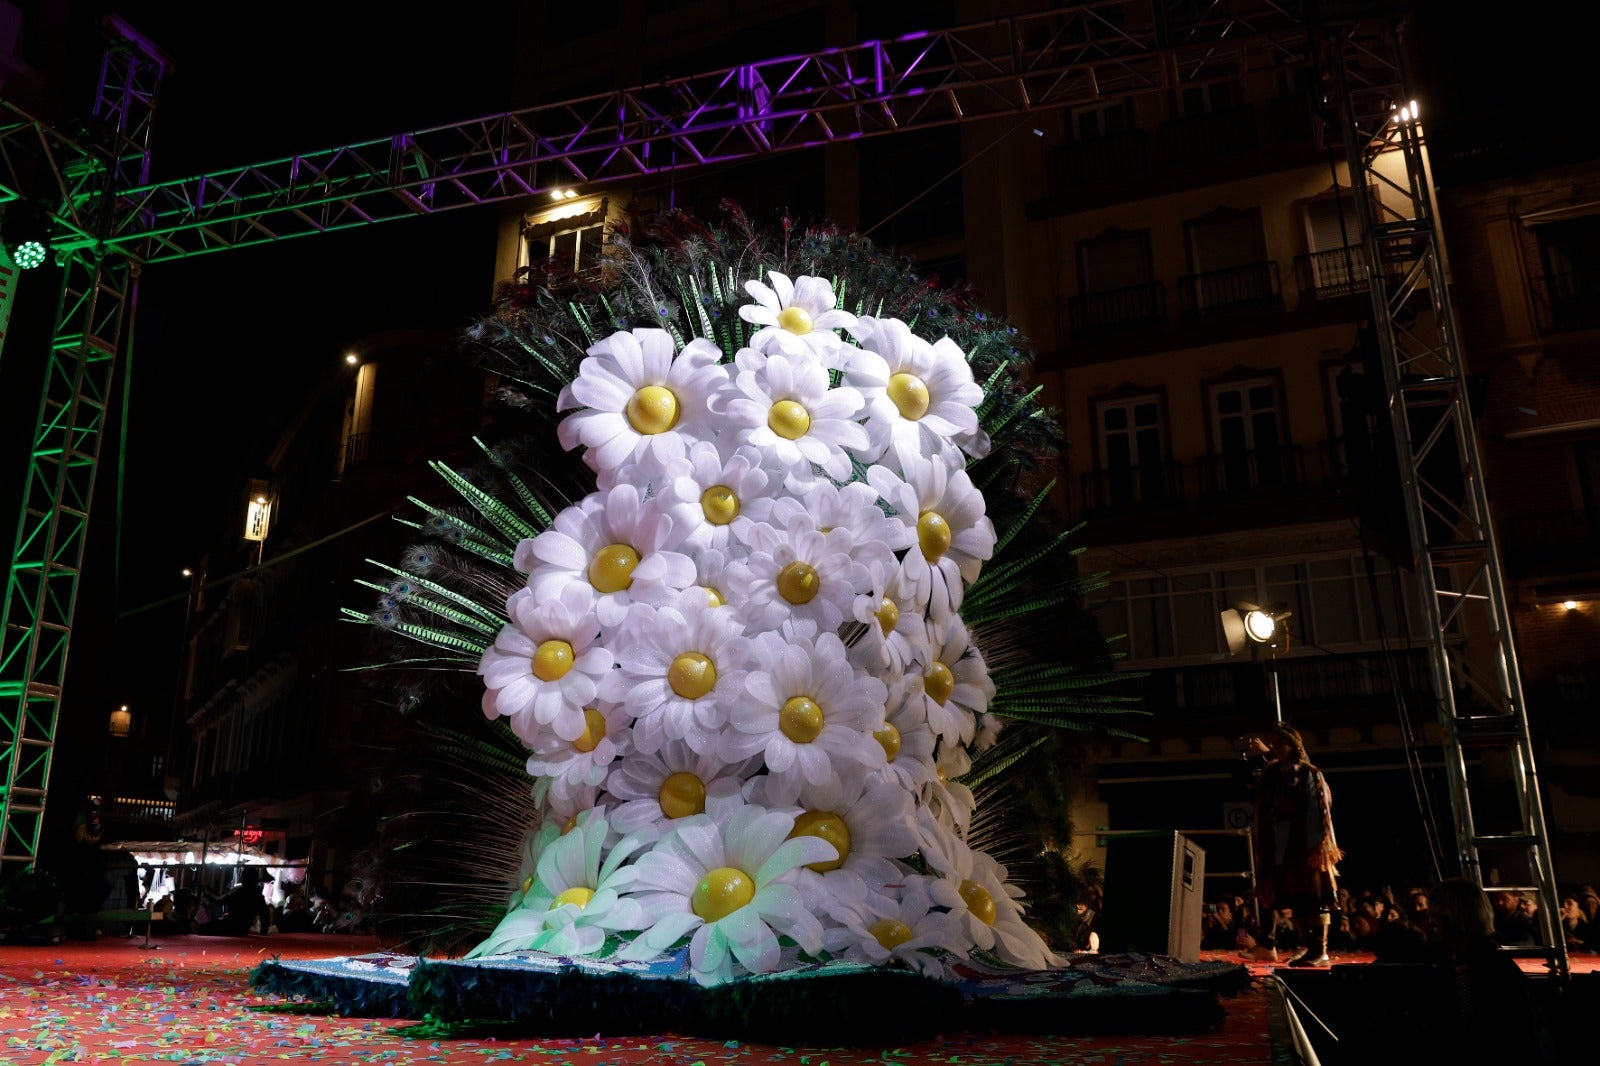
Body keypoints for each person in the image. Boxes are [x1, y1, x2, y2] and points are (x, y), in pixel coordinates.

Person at [1245, 722, 1343, 966]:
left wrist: (1318, 846)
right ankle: (1307, 946)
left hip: (1308, 844)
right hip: (1283, 843)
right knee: (1296, 897)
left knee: (1316, 897)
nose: (1276, 748)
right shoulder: (1271, 773)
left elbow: (1320, 809)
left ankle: (1320, 949)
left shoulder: (1309, 773)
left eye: (1280, 743)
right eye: (1274, 744)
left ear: (1294, 744)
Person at [1428, 877, 1545, 1064]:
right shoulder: (1491, 959)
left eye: (1436, 922)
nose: (1435, 931)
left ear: (1451, 921)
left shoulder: (1480, 969)